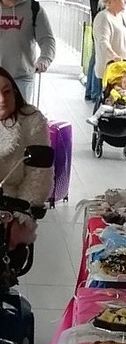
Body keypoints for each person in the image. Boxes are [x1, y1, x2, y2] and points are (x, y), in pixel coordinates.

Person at [0, 67, 53, 249]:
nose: (2, 100)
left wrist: (21, 217)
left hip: (11, 208)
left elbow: (39, 177)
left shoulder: (31, 121)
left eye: (6, 92)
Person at [0, 0, 56, 102]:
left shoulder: (34, 9)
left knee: (21, 116)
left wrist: (44, 59)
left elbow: (47, 40)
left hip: (21, 79)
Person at [92, 0, 126, 95]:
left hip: (124, 69)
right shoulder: (103, 17)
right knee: (107, 101)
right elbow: (103, 42)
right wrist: (114, 56)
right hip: (109, 70)